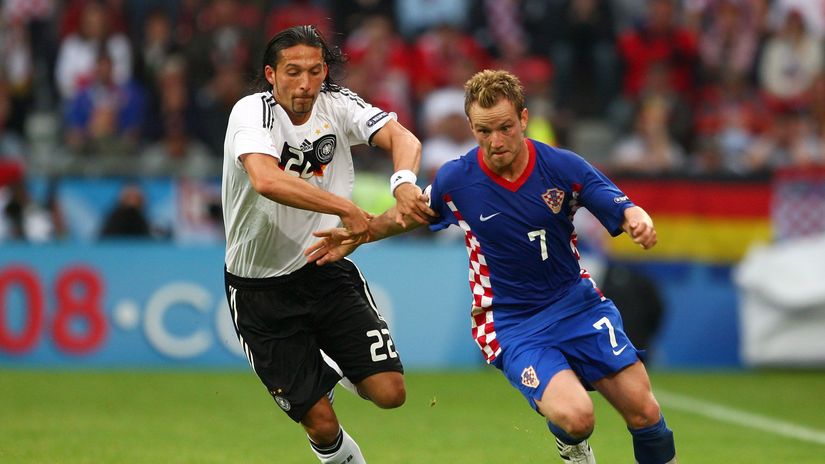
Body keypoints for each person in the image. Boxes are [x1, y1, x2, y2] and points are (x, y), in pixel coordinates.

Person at [307, 70, 677, 464]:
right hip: (512, 322)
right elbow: (410, 216)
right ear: (471, 127)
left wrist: (637, 218)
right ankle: (571, 444)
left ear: (523, 118)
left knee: (645, 411)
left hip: (577, 305)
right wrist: (361, 233)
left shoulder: (561, 166)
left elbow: (614, 200)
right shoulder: (457, 179)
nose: (496, 142)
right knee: (577, 418)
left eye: (504, 128)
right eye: (484, 131)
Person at [220, 25, 433, 464]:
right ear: (270, 74)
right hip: (260, 289)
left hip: (324, 268)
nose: (304, 83)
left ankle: (330, 368)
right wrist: (346, 209)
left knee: (390, 392)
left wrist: (404, 181)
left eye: (315, 71)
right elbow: (265, 178)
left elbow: (403, 138)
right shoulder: (252, 112)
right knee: (321, 422)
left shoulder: (336, 104)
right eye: (293, 72)